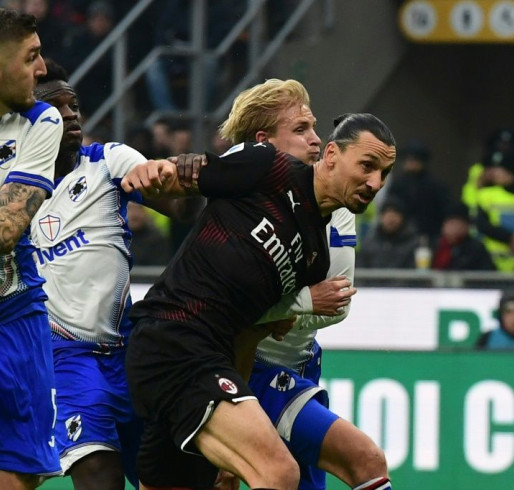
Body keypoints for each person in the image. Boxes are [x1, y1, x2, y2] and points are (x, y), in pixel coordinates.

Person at [120, 112, 396, 489]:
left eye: (384, 173)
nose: (375, 182)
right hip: (172, 338)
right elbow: (192, 174)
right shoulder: (270, 167)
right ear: (331, 154)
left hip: (212, 363)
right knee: (280, 472)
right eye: (367, 166)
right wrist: (155, 170)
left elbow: (249, 335)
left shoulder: (316, 258)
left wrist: (243, 405)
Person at [30, 59, 201, 490]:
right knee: (100, 477)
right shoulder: (11, 191)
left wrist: (184, 178)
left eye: (75, 105)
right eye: (57, 107)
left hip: (129, 349)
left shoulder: (108, 161)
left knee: (165, 479)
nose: (72, 115)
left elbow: (179, 207)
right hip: (63, 358)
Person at [214, 79, 391, 490]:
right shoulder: (241, 206)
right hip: (246, 365)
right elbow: (229, 303)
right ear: (263, 143)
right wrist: (303, 301)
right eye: (301, 131)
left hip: (301, 365)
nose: (316, 141)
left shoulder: (337, 201)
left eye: (314, 129)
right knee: (364, 459)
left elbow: (338, 303)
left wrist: (293, 306)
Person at [0, 7, 63, 489]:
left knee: (14, 474)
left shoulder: (39, 121)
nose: (43, 69)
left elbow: (6, 228)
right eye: (32, 57)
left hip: (11, 313)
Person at [358, 196, 419, 269]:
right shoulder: (369, 243)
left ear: (402, 217)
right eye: (387, 213)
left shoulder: (412, 244)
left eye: (395, 213)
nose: (390, 217)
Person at [431, 202, 495, 271]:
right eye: (450, 224)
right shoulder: (435, 246)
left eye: (457, 224)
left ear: (466, 226)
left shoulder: (476, 249)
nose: (453, 229)